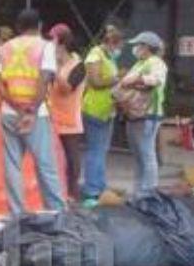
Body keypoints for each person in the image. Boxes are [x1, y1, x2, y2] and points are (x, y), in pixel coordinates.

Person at [0, 9, 66, 215]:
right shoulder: (45, 47)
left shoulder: (5, 47)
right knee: (45, 163)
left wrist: (14, 104)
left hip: (9, 111)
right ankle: (56, 211)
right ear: (40, 25)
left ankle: (17, 212)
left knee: (12, 163)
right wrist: (31, 109)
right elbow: (44, 78)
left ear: (18, 27)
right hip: (35, 114)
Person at [118, 32, 169, 197]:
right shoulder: (141, 62)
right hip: (135, 113)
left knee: (146, 154)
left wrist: (134, 79)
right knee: (139, 155)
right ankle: (139, 193)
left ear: (146, 47)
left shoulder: (156, 63)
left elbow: (155, 80)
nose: (136, 48)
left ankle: (148, 193)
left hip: (148, 114)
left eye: (138, 45)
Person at [79, 24, 124, 207]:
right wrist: (117, 78)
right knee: (95, 150)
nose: (118, 49)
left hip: (107, 110)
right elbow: (96, 81)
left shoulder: (107, 57)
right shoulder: (95, 55)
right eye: (117, 45)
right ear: (110, 42)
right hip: (95, 109)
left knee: (101, 150)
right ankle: (92, 189)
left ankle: (100, 186)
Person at [47, 24, 84, 201]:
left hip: (70, 122)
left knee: (71, 159)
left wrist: (56, 69)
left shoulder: (78, 66)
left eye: (53, 41)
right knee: (52, 160)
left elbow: (67, 89)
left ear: (62, 44)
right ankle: (56, 192)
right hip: (51, 119)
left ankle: (72, 194)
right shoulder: (53, 64)